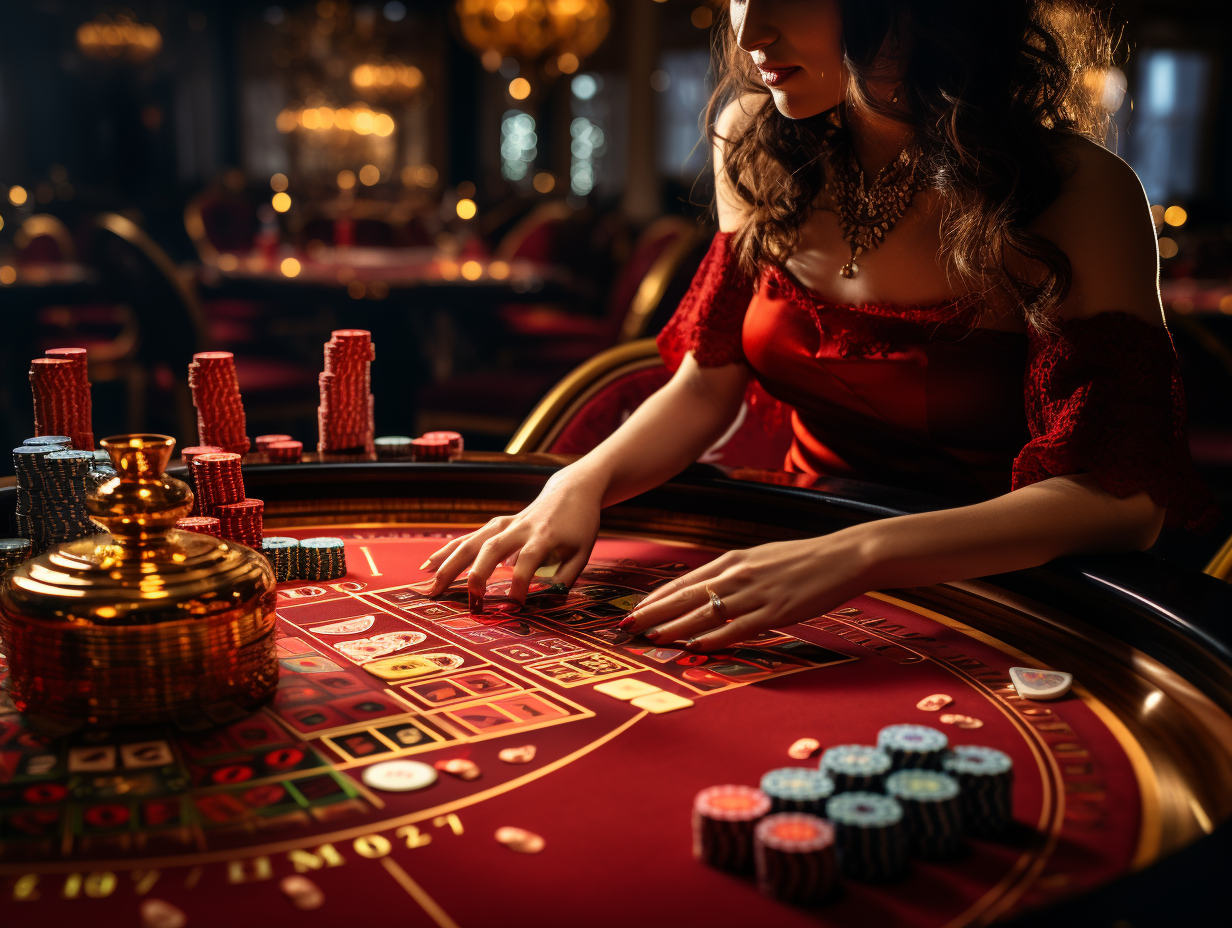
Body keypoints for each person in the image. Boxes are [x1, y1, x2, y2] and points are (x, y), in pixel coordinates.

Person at [426, 0, 1215, 649]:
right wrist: (580, 481)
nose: (747, 31)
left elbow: (1124, 501)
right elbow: (706, 386)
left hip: (1002, 589)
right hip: (793, 544)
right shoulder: (753, 140)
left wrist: (855, 555)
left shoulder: (1077, 193)